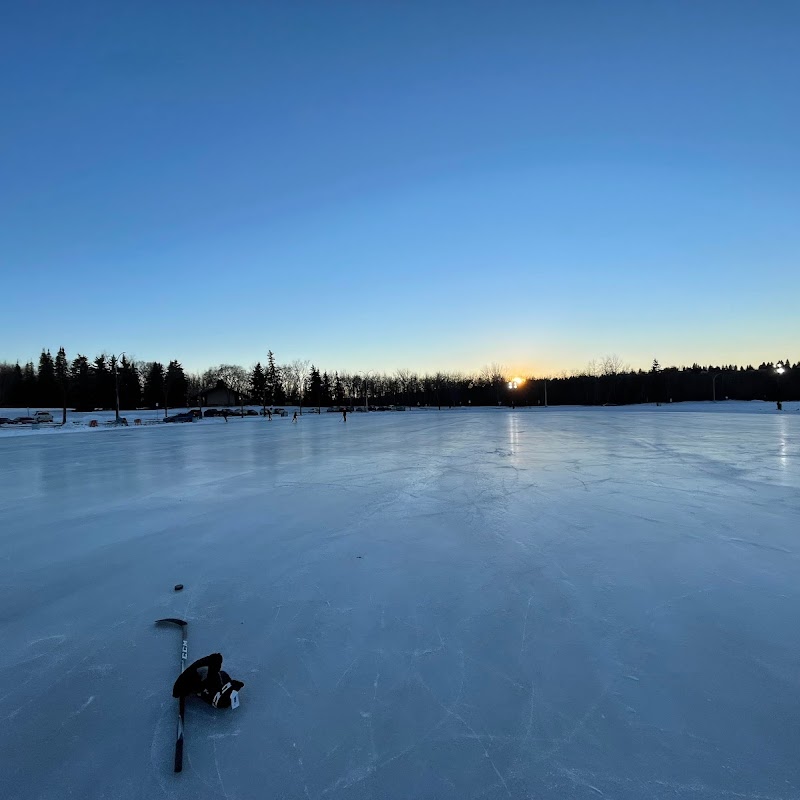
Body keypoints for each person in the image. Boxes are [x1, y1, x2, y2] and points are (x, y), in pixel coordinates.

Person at [172, 653, 244, 710]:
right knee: (218, 685)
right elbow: (202, 685)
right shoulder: (205, 671)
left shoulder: (207, 664)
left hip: (190, 685)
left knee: (222, 675)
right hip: (187, 688)